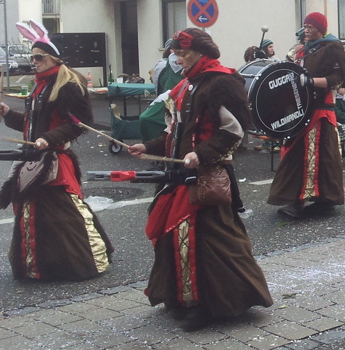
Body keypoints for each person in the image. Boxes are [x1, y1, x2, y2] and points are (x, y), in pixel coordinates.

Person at [128, 28, 272, 330]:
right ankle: (182, 299)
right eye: (177, 54)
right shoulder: (185, 85)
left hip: (208, 175)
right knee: (175, 237)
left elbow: (234, 130)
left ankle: (209, 305)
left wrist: (202, 154)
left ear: (202, 53)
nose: (178, 59)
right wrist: (148, 147)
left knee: (208, 241)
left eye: (184, 53)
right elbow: (173, 132)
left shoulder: (222, 82)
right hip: (180, 175)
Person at [0, 22, 113, 281]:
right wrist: (8, 114)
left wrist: (48, 139)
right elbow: (32, 125)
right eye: (33, 57)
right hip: (35, 158)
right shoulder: (39, 86)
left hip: (55, 160)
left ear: (53, 58)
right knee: (31, 212)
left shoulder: (68, 85)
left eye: (39, 57)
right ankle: (38, 267)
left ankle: (76, 264)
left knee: (62, 214)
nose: (34, 61)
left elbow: (78, 124)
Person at [268, 12, 345, 219]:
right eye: (305, 26)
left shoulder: (332, 48)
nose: (306, 30)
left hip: (320, 111)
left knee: (314, 155)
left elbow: (338, 78)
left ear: (321, 29)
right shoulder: (300, 50)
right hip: (300, 110)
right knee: (297, 153)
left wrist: (311, 81)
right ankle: (304, 199)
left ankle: (311, 201)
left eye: (311, 27)